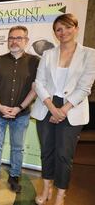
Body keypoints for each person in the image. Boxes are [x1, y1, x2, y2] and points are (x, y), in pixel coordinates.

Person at [31, 13, 95, 205]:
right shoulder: (49, 54)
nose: (63, 32)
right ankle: (46, 188)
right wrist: (52, 107)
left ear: (76, 28)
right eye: (59, 29)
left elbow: (85, 86)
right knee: (47, 152)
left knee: (64, 155)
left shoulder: (89, 54)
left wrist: (63, 110)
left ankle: (60, 194)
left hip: (72, 109)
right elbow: (39, 82)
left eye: (67, 27)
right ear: (55, 33)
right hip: (47, 106)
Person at [0, 25, 39, 193]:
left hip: (21, 114)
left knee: (17, 146)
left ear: (26, 41)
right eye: (11, 38)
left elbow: (35, 89)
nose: (14, 41)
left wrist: (19, 108)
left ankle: (14, 176)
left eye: (18, 38)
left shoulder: (35, 62)